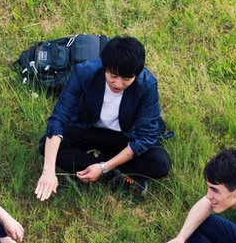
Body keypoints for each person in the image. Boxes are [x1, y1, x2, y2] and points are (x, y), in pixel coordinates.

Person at [35, 36, 171, 201]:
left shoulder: (146, 85)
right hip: (88, 128)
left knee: (160, 163)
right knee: (45, 145)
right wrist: (48, 171)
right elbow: (59, 119)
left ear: (137, 74)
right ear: (104, 66)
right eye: (113, 75)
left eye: (126, 78)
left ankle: (98, 169)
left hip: (125, 135)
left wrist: (103, 167)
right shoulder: (84, 73)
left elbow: (145, 137)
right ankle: (117, 175)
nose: (118, 84)